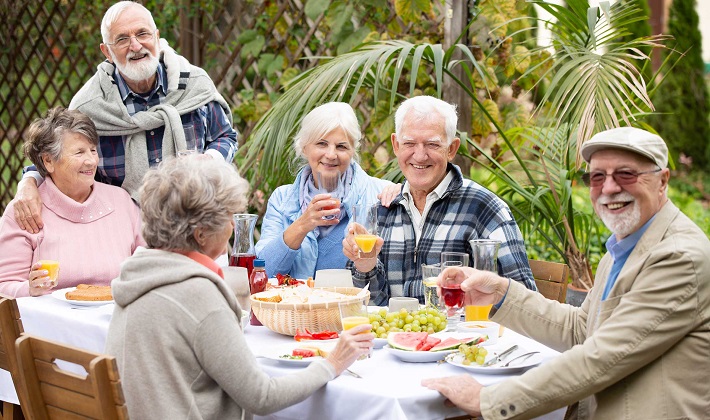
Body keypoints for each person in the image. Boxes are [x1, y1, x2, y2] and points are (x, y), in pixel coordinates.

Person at [422, 127, 710, 419]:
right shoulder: (627, 243)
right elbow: (581, 330)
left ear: (662, 181)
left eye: (625, 174)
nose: (608, 188)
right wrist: (499, 293)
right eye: (597, 177)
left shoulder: (679, 256)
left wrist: (488, 400)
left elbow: (601, 358)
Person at [105, 155, 374, 419]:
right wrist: (332, 364)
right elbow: (262, 397)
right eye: (227, 216)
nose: (233, 226)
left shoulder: (137, 276)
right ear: (200, 234)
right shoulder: (197, 293)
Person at [12, 0, 238, 233]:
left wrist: (210, 160)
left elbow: (226, 136)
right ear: (107, 52)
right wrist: (28, 183)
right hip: (119, 233)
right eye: (122, 39)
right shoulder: (89, 105)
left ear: (157, 37)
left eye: (143, 34)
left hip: (197, 221)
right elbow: (58, 158)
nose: (136, 45)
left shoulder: (193, 83)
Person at [342, 96, 536, 306]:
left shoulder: (484, 208)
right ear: (396, 145)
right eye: (409, 143)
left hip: (464, 336)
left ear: (451, 149)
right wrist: (365, 266)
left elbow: (524, 301)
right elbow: (367, 306)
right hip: (391, 337)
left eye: (432, 144)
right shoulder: (382, 211)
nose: (420, 155)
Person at [0, 108, 144, 297]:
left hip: (116, 319)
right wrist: (29, 289)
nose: (91, 161)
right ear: (48, 161)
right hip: (51, 324)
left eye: (92, 150)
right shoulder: (26, 210)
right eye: (79, 153)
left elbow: (148, 263)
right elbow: (5, 285)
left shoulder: (121, 201)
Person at [255, 102, 400, 279]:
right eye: (322, 144)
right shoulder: (282, 199)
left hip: (354, 306)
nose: (331, 155)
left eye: (341, 146)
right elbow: (263, 272)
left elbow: (392, 277)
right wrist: (302, 225)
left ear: (353, 151)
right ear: (304, 147)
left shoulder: (381, 193)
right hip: (296, 306)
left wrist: (406, 191)